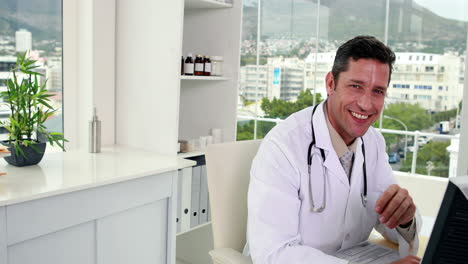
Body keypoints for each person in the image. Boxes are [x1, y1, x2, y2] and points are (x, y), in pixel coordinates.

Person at [245, 36, 421, 264]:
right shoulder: (283, 147)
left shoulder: (373, 142)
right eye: (356, 86)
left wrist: (404, 219)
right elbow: (273, 253)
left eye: (378, 91)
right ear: (330, 83)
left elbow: (389, 223)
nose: (366, 104)